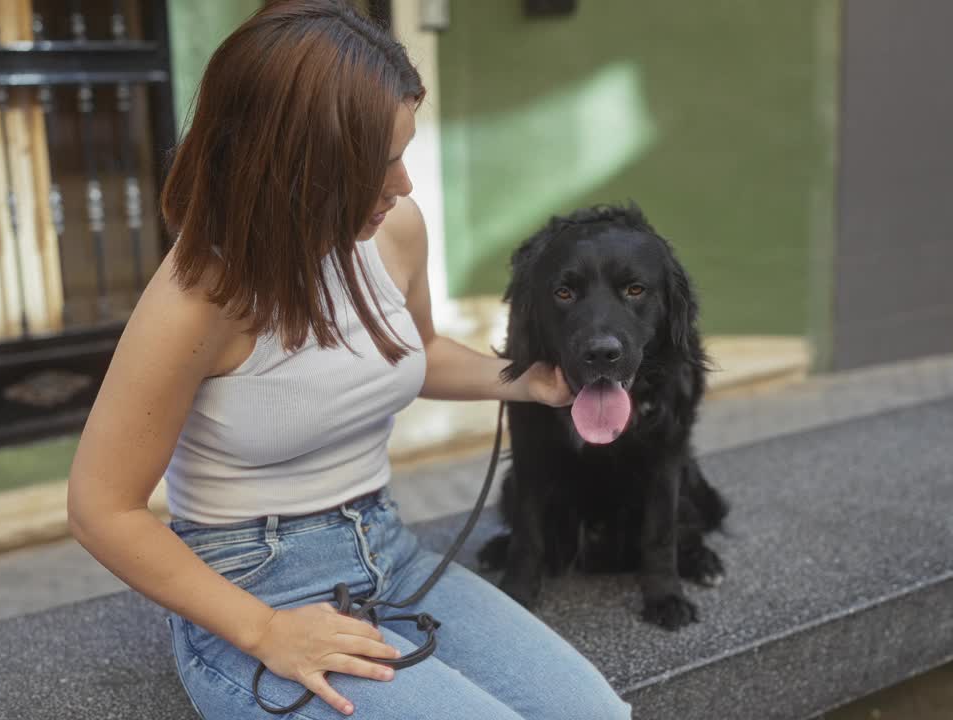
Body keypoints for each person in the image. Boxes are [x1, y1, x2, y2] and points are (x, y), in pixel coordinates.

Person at [67, 1, 632, 718]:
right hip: (254, 588)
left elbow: (416, 352)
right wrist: (266, 630)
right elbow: (100, 508)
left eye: (403, 153)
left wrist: (528, 382)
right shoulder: (197, 301)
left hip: (386, 549)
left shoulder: (393, 230)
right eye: (378, 164)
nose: (404, 186)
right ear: (291, 166)